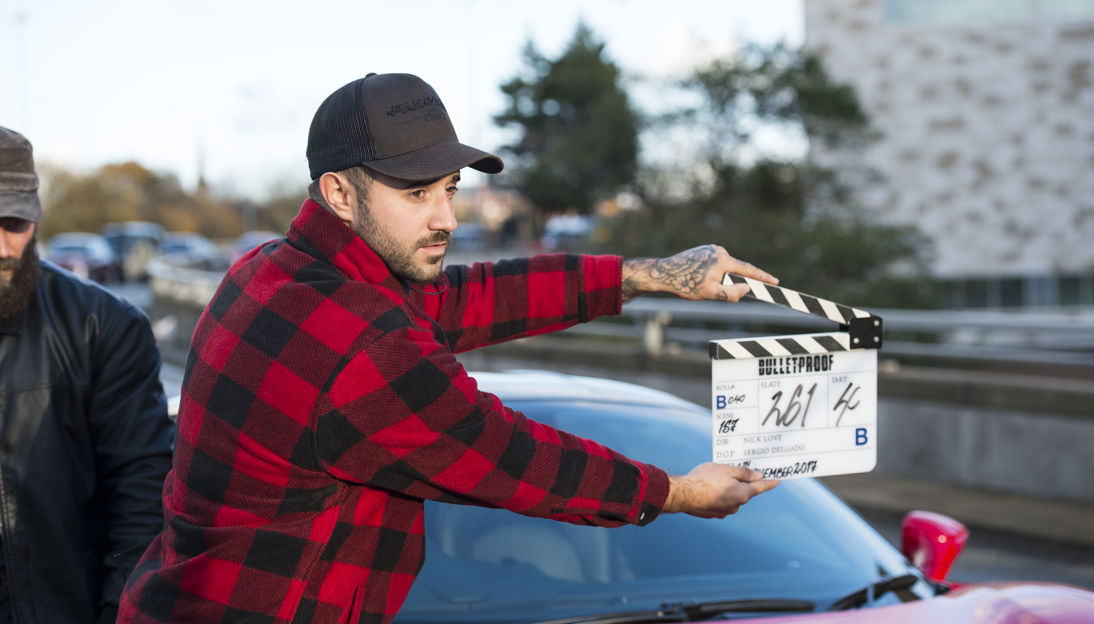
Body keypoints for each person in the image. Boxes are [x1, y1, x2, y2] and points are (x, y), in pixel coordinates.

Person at [119, 73, 780, 624]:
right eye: (416, 193)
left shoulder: (271, 271)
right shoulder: (365, 346)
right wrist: (680, 493)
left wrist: (641, 275)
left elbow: (467, 298)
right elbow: (512, 458)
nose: (447, 218)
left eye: (450, 188)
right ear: (339, 194)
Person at [0, 126, 175, 623]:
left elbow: (141, 497)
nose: (1, 245)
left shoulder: (102, 328)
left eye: (13, 221)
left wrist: (118, 614)